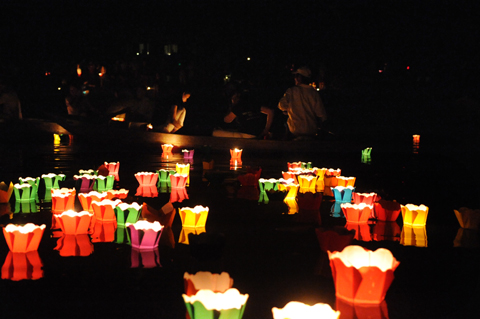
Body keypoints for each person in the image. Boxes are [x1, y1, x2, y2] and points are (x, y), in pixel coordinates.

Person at [278, 66, 327, 139]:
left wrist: (290, 109)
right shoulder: (314, 93)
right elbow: (321, 114)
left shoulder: (291, 91)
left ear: (299, 78)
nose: (295, 78)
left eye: (296, 76)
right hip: (311, 131)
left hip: (295, 131)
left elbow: (281, 105)